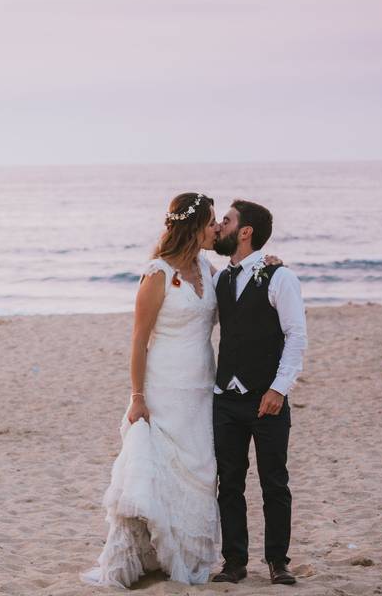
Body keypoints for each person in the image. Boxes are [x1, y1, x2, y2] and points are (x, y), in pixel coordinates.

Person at [82, 192, 260, 587]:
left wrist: (267, 265)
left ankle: (180, 554)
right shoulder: (157, 274)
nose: (217, 228)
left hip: (200, 390)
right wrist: (137, 397)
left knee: (198, 471)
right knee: (162, 471)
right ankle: (152, 556)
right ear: (194, 227)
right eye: (212, 222)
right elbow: (139, 340)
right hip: (163, 390)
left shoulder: (206, 268)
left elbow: (242, 293)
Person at [210, 199, 307, 586]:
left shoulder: (280, 278)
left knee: (274, 482)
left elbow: (296, 336)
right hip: (225, 398)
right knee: (229, 482)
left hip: (267, 399)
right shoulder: (220, 279)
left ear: (245, 231)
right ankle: (234, 562)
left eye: (227, 220)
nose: (220, 225)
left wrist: (279, 389)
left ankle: (277, 562)